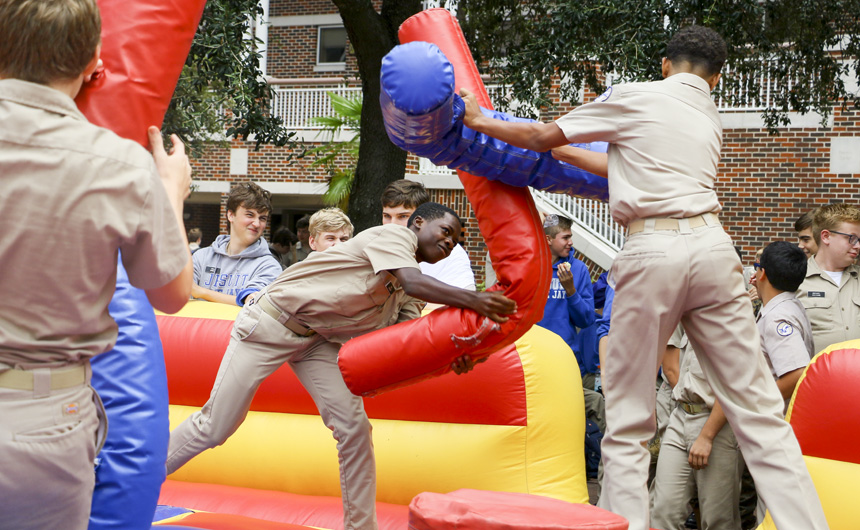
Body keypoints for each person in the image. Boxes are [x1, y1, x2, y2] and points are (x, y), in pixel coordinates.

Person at [460, 25, 827, 530]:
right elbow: (627, 167)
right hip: (714, 248)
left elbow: (542, 136)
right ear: (716, 78)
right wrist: (568, 155)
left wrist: (478, 118)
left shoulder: (635, 95)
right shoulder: (708, 115)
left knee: (629, 420)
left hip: (654, 248)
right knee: (759, 412)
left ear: (664, 64)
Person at [165, 202, 517, 530]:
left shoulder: (412, 290)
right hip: (272, 322)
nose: (450, 243)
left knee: (354, 429)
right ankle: (135, 480)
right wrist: (477, 300)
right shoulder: (395, 237)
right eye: (446, 231)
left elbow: (406, 343)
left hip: (318, 340)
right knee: (217, 425)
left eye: (456, 240)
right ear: (419, 223)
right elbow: (413, 280)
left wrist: (450, 358)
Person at [0, 0, 193, 527]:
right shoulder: (119, 164)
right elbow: (172, 294)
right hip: (44, 418)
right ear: (93, 63)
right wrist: (170, 192)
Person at [650, 327, 742, 530]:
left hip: (717, 421)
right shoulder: (692, 316)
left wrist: (707, 436)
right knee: (663, 511)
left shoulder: (732, 322)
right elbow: (671, 366)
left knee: (718, 519)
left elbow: (734, 387)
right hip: (681, 413)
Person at [191, 182, 282, 306]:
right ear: (230, 215)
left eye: (262, 218)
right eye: (250, 215)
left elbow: (252, 303)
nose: (256, 224)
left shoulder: (269, 266)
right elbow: (180, 295)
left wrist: (200, 292)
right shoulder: (201, 257)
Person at [381, 179, 476, 290]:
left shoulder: (448, 252)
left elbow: (465, 294)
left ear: (420, 219)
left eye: (403, 216)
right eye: (387, 216)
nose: (392, 224)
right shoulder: (376, 244)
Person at [756, 241, 815, 411]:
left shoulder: (777, 317)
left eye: (756, 267)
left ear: (762, 273)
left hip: (772, 417)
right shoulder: (789, 304)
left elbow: (797, 374)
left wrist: (757, 405)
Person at [796, 203, 860, 355]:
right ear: (826, 236)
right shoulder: (795, 281)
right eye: (852, 238)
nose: (858, 246)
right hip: (813, 370)